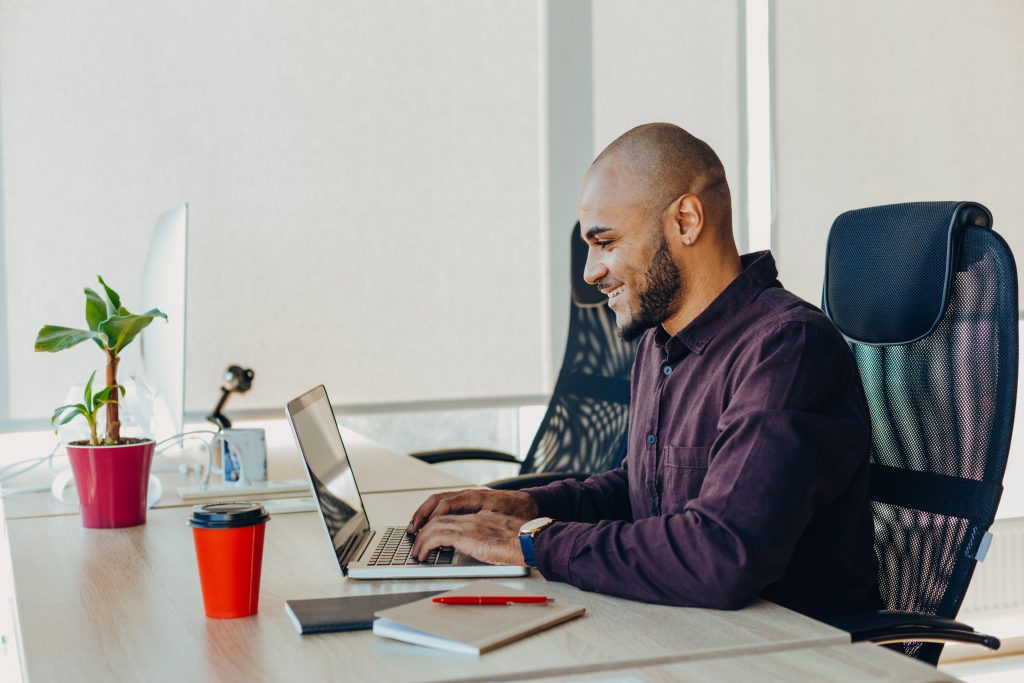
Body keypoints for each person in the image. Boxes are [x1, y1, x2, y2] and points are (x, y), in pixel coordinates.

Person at [409, 123, 882, 618]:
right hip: (685, 628)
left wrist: (533, 544)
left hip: (790, 654)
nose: (590, 272)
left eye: (606, 242)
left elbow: (720, 555)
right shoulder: (661, 343)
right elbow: (645, 491)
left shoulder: (787, 348)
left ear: (686, 220)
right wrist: (526, 508)